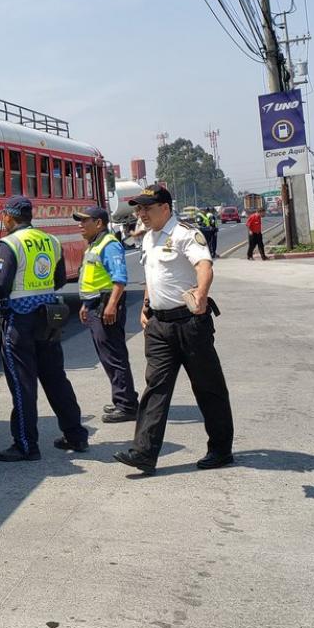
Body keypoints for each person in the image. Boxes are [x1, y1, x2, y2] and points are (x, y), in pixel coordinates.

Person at [113, 186, 234, 475]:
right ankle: (144, 453)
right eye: (138, 208)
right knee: (155, 388)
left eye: (146, 208)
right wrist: (146, 307)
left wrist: (202, 294)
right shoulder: (149, 238)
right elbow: (152, 276)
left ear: (165, 208)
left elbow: (204, 265)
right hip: (159, 326)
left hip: (190, 323)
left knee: (208, 387)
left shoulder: (184, 233)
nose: (140, 213)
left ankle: (220, 449)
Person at [0, 197, 88, 461]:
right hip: (48, 318)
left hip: (19, 320)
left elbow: (0, 286)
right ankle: (75, 435)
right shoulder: (50, 240)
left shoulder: (9, 244)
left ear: (8, 216)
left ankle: (26, 445)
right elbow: (60, 279)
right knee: (56, 379)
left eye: (3, 215)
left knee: (23, 384)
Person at [74, 206, 139, 423]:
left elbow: (119, 279)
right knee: (108, 357)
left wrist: (111, 306)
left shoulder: (109, 245)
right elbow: (93, 278)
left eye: (85, 221)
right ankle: (122, 400)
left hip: (106, 306)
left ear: (99, 223)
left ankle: (127, 405)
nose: (80, 225)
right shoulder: (95, 244)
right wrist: (86, 304)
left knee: (114, 356)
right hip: (95, 305)